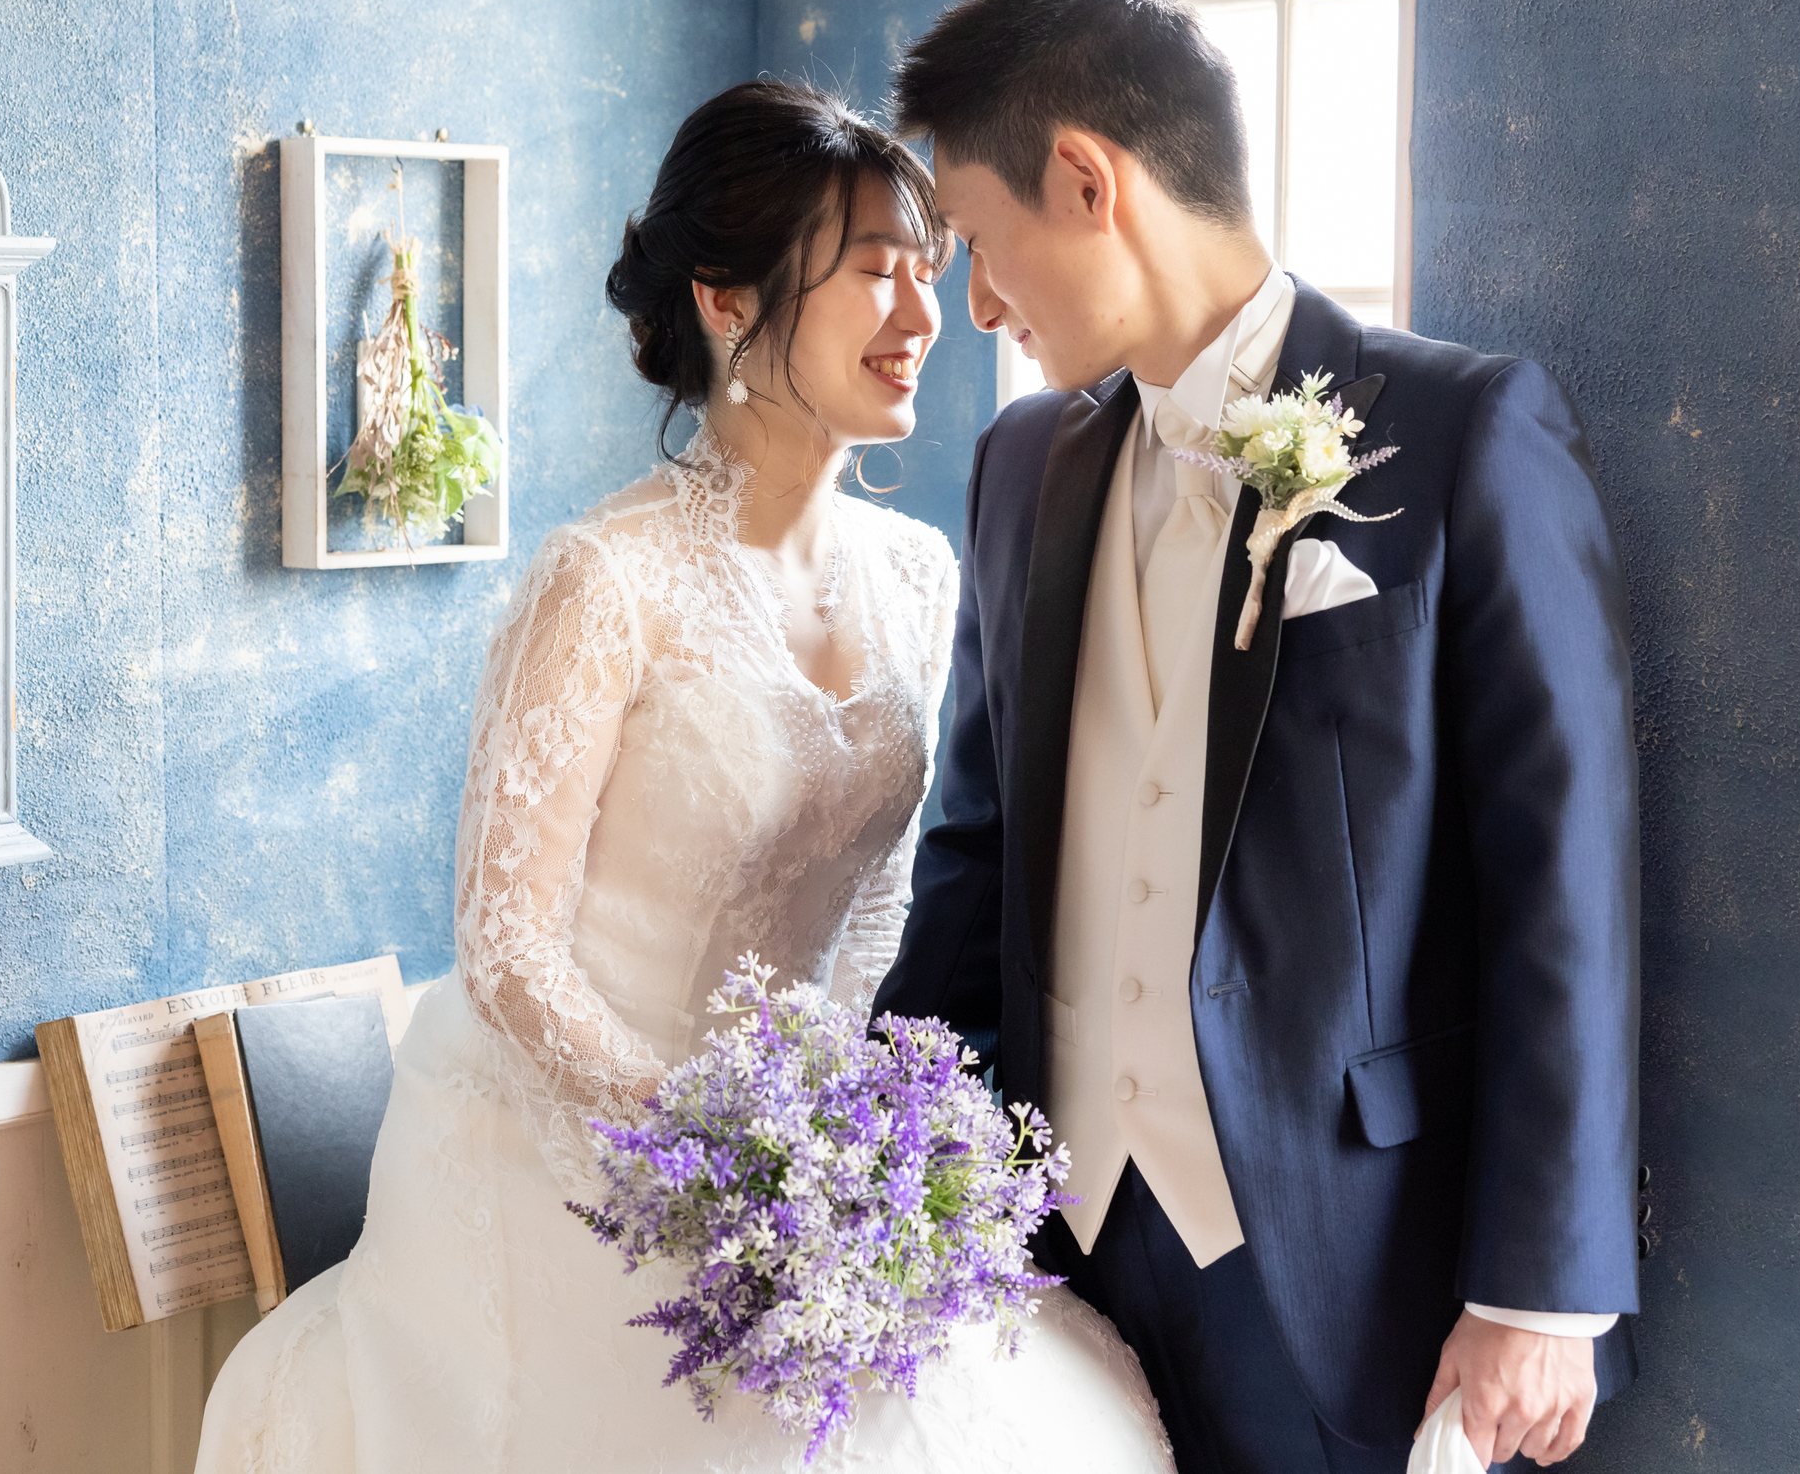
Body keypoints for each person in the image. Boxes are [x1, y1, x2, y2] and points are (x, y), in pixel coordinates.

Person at [195, 80, 1173, 1472]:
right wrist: (712, 1157)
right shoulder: (604, 579)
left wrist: (846, 1152)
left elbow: (882, 911)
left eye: (929, 270)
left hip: (803, 1163)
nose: (923, 317)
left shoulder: (918, 576)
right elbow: (505, 945)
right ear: (726, 301)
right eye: (877, 273)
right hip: (567, 1153)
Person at [876, 0, 1641, 1474]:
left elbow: (1563, 877)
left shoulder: (1463, 433)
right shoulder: (1020, 468)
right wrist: (878, 1168)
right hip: (1056, 1249)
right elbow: (974, 855)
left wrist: (1540, 1291)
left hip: (1346, 1263)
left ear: (1085, 180)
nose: (978, 303)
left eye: (978, 241)